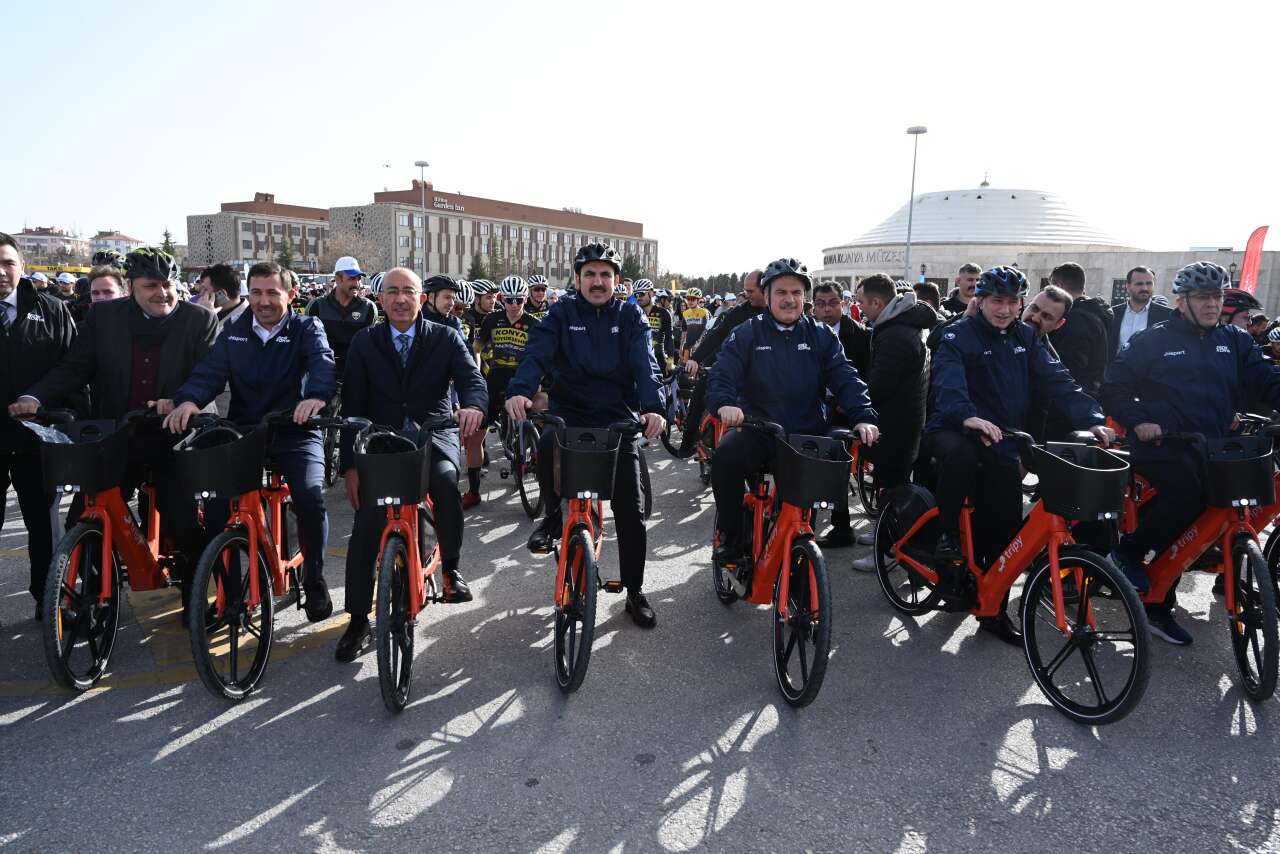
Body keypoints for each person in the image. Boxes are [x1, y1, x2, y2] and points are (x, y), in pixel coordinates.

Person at [12, 247, 218, 621]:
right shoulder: (104, 317)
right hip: (119, 433)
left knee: (182, 520)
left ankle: (194, 594)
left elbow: (209, 375)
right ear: (130, 286)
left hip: (175, 435)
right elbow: (75, 367)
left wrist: (182, 400)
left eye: (168, 284)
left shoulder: (199, 319)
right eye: (151, 285)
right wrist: (35, 396)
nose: (163, 292)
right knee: (83, 518)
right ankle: (96, 595)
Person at [926, 265, 1111, 643]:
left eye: (1013, 302)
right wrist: (966, 416)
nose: (1006, 309)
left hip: (1003, 438)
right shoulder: (959, 335)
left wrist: (1093, 420)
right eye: (997, 300)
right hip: (955, 426)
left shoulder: (1026, 336)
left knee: (1005, 531)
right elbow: (947, 382)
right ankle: (945, 534)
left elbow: (1060, 380)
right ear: (981, 300)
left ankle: (992, 610)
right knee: (961, 458)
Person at [1101, 261, 1280, 645]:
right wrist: (1138, 421)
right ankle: (1130, 554)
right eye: (1203, 297)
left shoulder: (1235, 340)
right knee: (1189, 492)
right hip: (1163, 444)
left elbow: (1267, 380)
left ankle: (1176, 583)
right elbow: (1113, 387)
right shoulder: (1154, 340)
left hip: (1213, 446)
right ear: (1182, 301)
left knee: (1226, 504)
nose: (1212, 304)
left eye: (1217, 296)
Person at [164, 261, 338, 623]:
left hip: (295, 429)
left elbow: (322, 363)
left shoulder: (307, 327)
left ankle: (314, 578)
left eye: (272, 292)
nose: (263, 301)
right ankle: (229, 595)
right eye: (256, 293)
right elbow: (210, 372)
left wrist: (316, 397)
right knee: (216, 507)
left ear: (291, 294)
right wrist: (189, 400)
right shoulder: (234, 331)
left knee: (310, 497)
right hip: (245, 431)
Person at [505, 243, 665, 629]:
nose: (597, 281)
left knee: (631, 510)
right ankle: (552, 516)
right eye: (589, 274)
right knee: (547, 443)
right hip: (570, 413)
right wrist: (521, 390)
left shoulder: (630, 315)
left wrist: (653, 406)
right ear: (577, 279)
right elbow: (537, 353)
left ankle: (635, 591)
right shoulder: (561, 313)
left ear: (616, 280)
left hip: (617, 418)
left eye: (605, 275)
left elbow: (645, 363)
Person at [333, 268, 487, 661]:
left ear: (421, 298)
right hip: (381, 442)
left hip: (433, 434)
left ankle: (450, 570)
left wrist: (472, 405)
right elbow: (352, 406)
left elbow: (471, 379)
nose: (401, 299)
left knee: (445, 482)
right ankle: (357, 620)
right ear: (380, 299)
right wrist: (350, 466)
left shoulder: (446, 337)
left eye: (408, 292)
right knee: (367, 522)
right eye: (392, 292)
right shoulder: (365, 341)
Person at [707, 258, 878, 567]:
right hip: (758, 430)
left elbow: (846, 377)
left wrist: (863, 415)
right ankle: (731, 536)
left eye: (796, 292)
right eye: (781, 292)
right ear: (766, 295)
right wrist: (724, 403)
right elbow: (722, 373)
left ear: (804, 297)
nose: (789, 299)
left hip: (805, 433)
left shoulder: (822, 335)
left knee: (807, 505)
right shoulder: (747, 333)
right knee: (725, 460)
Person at [0, 233, 78, 620]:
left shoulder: (52, 309)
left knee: (44, 528)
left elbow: (72, 366)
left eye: (7, 263)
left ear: (23, 267)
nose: (1, 272)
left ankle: (49, 602)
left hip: (38, 438)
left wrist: (40, 400)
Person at [846, 275, 939, 569]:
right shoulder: (903, 324)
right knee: (890, 483)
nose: (859, 308)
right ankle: (883, 534)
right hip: (905, 417)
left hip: (897, 421)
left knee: (892, 486)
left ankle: (887, 551)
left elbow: (880, 384)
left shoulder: (896, 334)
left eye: (862, 302)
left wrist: (854, 401)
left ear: (877, 302)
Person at [679, 271, 766, 456]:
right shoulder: (739, 312)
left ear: (765, 289)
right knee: (699, 395)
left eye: (750, 291)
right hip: (727, 365)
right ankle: (688, 443)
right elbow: (717, 335)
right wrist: (695, 359)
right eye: (745, 291)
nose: (746, 295)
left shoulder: (775, 313)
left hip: (759, 374)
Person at [471, 275, 541, 508]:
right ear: (502, 299)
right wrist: (476, 371)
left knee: (540, 412)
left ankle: (535, 452)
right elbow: (477, 348)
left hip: (523, 376)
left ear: (525, 299)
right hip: (497, 374)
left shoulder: (534, 323)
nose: (513, 305)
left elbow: (542, 355)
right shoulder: (492, 319)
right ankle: (473, 489)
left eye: (518, 300)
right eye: (509, 300)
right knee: (478, 430)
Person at [1045, 262, 1112, 395]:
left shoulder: (1075, 320)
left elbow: (1069, 367)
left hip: (1071, 396)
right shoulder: (1092, 313)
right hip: (1086, 393)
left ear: (1059, 287)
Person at [305, 256, 377, 374]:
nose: (357, 283)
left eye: (359, 278)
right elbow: (309, 343)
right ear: (338, 279)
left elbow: (369, 346)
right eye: (352, 278)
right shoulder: (317, 306)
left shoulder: (368, 307)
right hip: (323, 372)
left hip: (356, 372)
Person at [1109, 266, 1171, 356]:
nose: (1145, 288)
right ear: (1128, 286)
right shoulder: (1113, 313)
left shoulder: (1166, 315)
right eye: (1139, 284)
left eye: (1149, 283)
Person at [633, 278, 674, 372]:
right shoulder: (633, 313)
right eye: (636, 295)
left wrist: (670, 361)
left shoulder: (663, 313)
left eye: (641, 294)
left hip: (658, 357)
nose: (638, 297)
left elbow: (669, 338)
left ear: (651, 293)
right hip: (638, 359)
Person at [679, 287, 711, 357]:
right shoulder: (685, 313)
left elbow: (706, 330)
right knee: (683, 363)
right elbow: (684, 331)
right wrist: (681, 347)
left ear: (698, 300)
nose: (690, 301)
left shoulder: (704, 312)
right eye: (688, 299)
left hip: (700, 346)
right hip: (688, 346)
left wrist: (698, 343)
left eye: (693, 299)